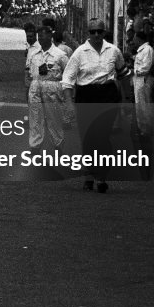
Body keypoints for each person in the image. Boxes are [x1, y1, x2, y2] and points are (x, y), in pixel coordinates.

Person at [61, 18, 126, 192]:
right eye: (93, 32)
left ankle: (101, 177)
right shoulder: (79, 53)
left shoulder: (113, 51)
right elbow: (67, 81)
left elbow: (123, 74)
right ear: (88, 33)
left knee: (102, 137)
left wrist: (125, 101)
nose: (96, 35)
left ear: (104, 32)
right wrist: (69, 104)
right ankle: (90, 174)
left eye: (99, 31)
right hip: (86, 96)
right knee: (89, 137)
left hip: (107, 96)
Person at [27, 26, 68, 150]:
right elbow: (30, 72)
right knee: (35, 118)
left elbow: (68, 73)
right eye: (39, 37)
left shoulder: (60, 55)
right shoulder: (34, 54)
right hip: (36, 86)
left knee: (54, 118)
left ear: (50, 36)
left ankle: (57, 144)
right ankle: (35, 146)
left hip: (53, 87)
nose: (41, 39)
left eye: (43, 36)